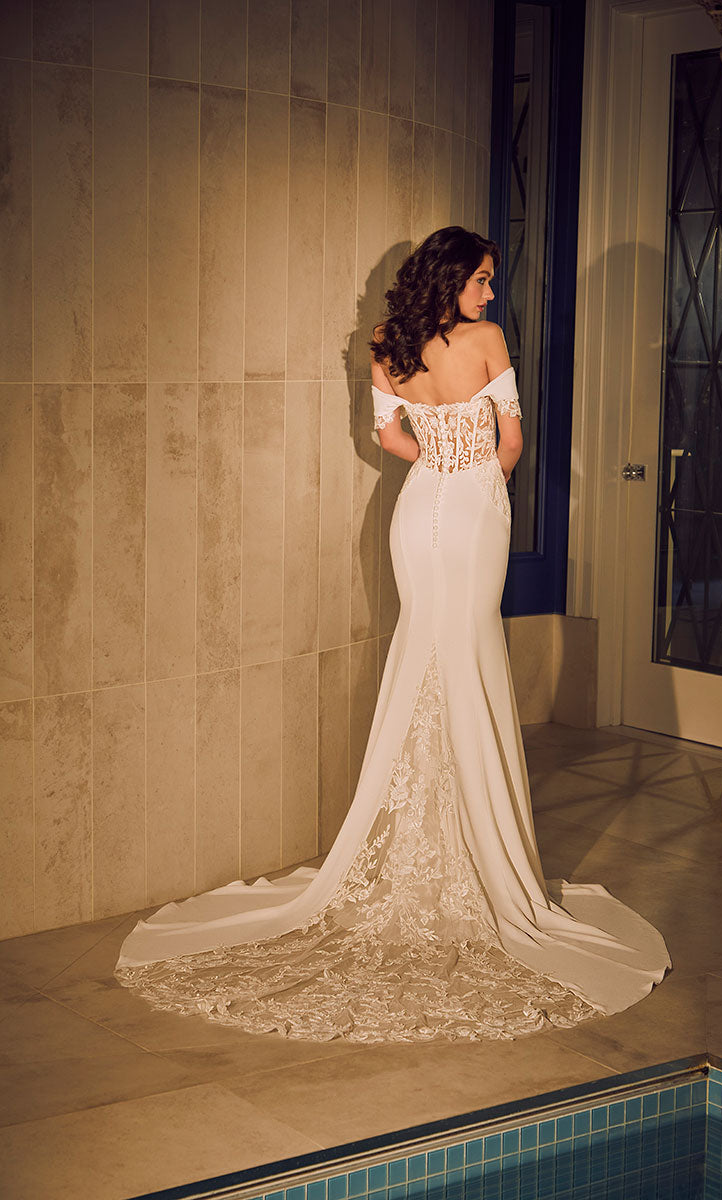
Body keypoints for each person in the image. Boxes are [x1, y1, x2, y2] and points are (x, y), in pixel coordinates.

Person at [116, 227, 670, 1042]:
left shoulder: (387, 341)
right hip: (474, 512)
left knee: (425, 656)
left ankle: (429, 840)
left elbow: (387, 439)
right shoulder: (487, 340)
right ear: (454, 279)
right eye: (482, 279)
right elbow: (512, 443)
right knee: (470, 658)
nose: (490, 293)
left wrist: (437, 466)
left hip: (416, 513)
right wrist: (477, 479)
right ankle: (480, 853)